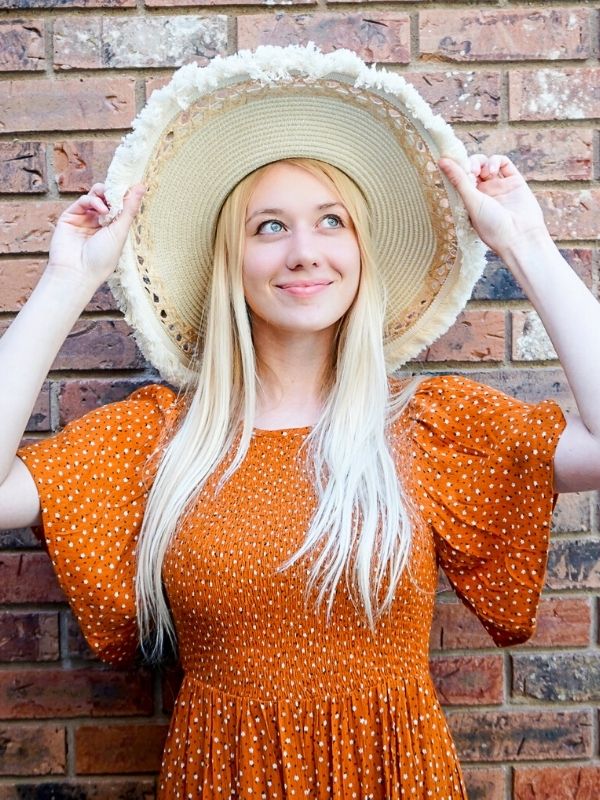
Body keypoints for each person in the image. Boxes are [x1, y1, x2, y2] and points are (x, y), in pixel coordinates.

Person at [0, 44, 599, 799]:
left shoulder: (428, 426)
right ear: (233, 259)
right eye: (270, 228)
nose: (305, 252)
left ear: (360, 249)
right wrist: (68, 279)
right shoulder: (163, 438)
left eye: (331, 221)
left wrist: (525, 243)